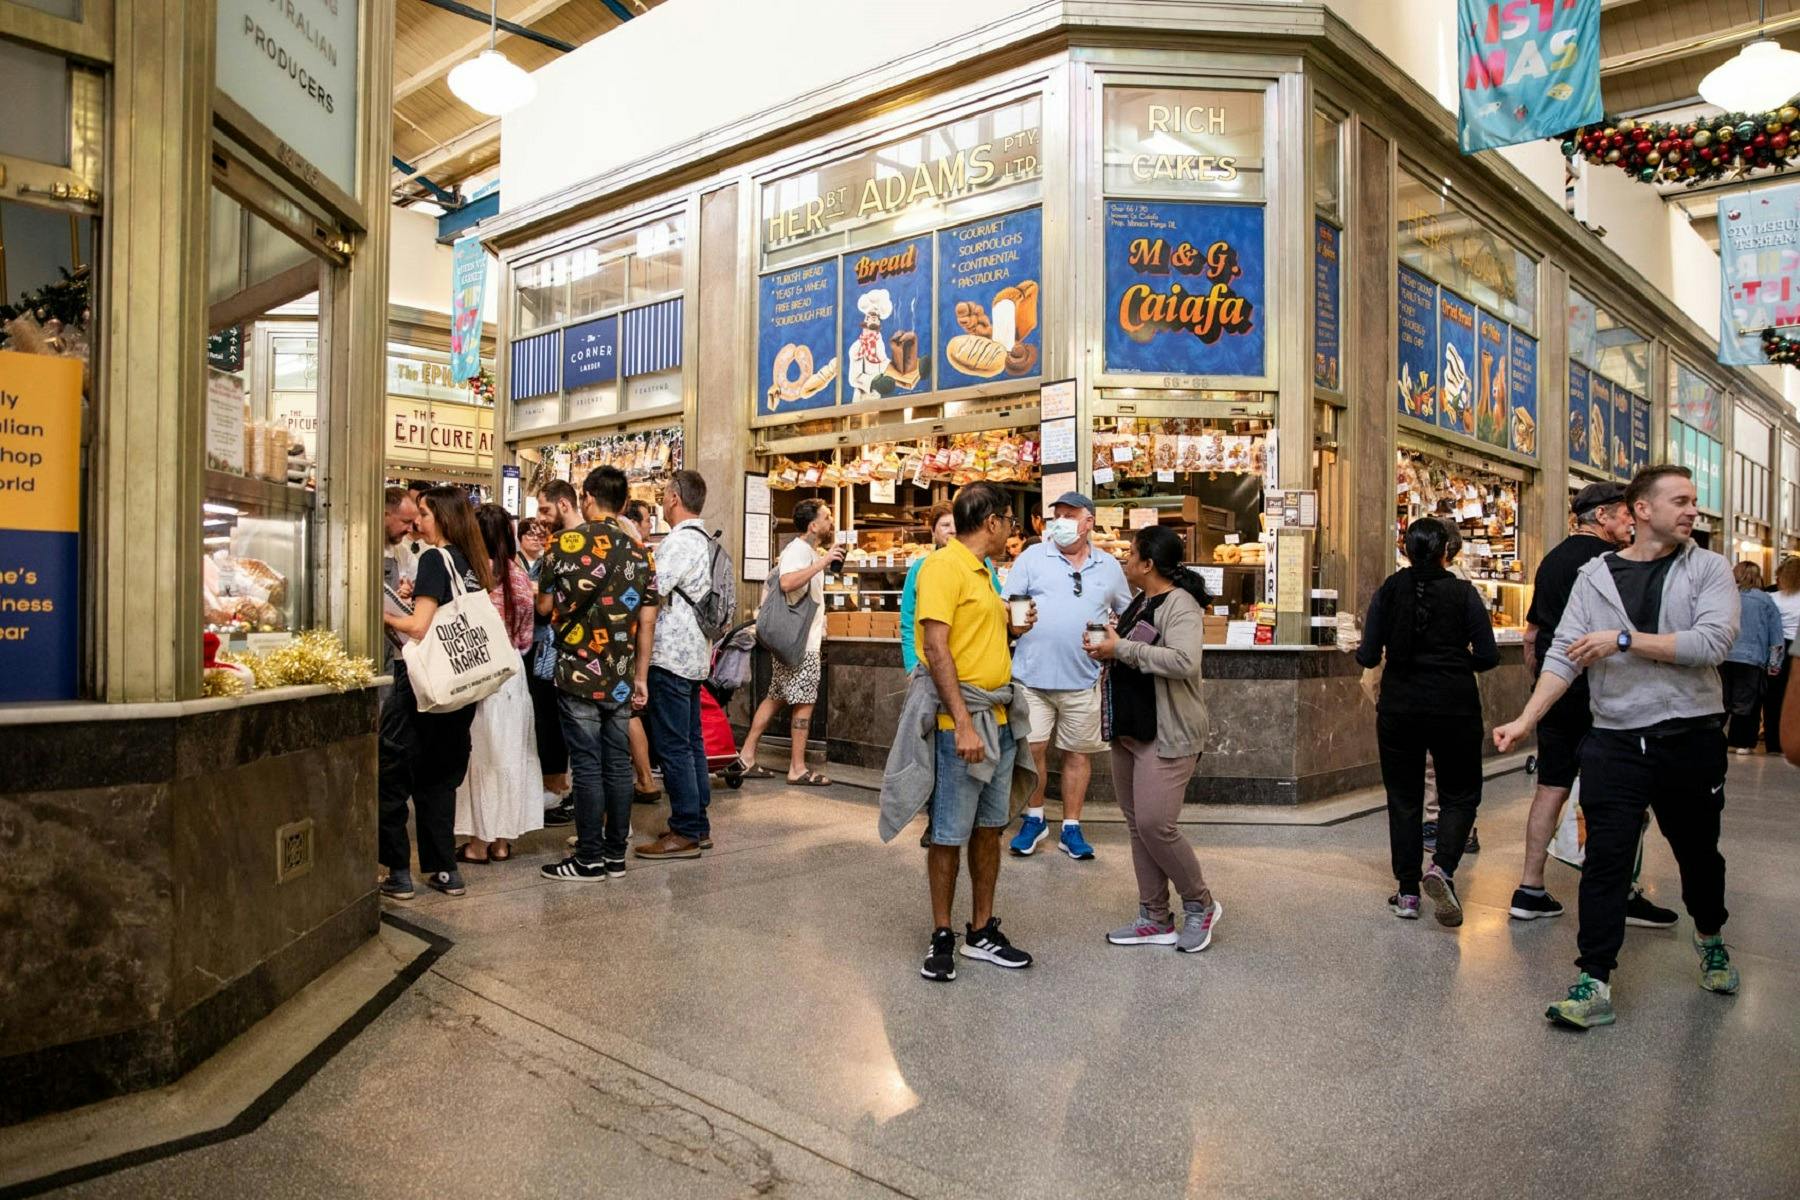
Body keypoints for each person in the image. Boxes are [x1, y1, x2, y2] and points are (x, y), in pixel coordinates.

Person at [1495, 465, 1740, 1030]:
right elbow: (1562, 654)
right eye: (1679, 500)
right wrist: (1527, 718)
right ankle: (1594, 979)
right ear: (1641, 510)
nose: (1692, 510)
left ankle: (1710, 935)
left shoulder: (1709, 568)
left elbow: (1711, 643)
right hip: (1615, 739)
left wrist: (1623, 640)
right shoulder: (1595, 574)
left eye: (1694, 501)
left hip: (1690, 736)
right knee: (1604, 860)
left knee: (1699, 853)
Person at [878, 481, 1038, 981]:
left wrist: (1013, 630)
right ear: (991, 522)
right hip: (960, 724)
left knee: (989, 829)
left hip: (999, 717)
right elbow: (937, 648)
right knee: (948, 834)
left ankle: (982, 929)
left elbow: (975, 637)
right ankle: (942, 933)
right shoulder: (942, 566)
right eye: (1010, 521)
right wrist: (963, 724)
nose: (1012, 531)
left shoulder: (986, 572)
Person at [1355, 516, 1499, 926]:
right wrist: (1455, 663)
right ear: (1445, 553)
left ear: (1405, 549)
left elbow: (1367, 656)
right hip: (1455, 706)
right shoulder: (1464, 593)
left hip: (1399, 707)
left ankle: (1406, 893)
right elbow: (1487, 656)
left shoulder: (1389, 590)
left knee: (1404, 799)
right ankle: (1443, 868)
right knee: (1461, 794)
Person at [1088, 526, 1222, 954]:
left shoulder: (1180, 605)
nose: (1125, 559)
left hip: (1168, 732)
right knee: (1137, 826)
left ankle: (1201, 904)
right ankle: (1154, 916)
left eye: (1131, 553)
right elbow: (1127, 649)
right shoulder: (1140, 601)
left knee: (1155, 825)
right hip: (1131, 730)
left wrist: (1121, 650)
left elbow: (1184, 661)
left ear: (1147, 564)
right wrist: (1106, 646)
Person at [538, 466, 659, 883]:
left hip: (577, 671)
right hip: (622, 674)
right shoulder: (641, 551)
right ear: (625, 504)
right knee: (618, 765)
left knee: (587, 766)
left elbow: (542, 607)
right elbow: (648, 621)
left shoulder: (562, 545)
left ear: (587, 497)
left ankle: (588, 859)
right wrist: (641, 675)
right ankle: (614, 857)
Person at [378, 486, 494, 900]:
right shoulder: (472, 560)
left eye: (424, 514)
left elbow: (420, 627)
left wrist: (383, 613)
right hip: (461, 687)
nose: (418, 523)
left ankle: (396, 872)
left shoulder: (432, 557)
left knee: (392, 771)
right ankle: (445, 870)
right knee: (439, 779)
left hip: (424, 685)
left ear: (442, 518)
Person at [1003, 492, 1131, 862]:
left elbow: (1125, 611)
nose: (1058, 521)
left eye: (1069, 514)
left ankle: (1071, 826)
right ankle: (1035, 817)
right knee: (1033, 749)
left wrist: (1114, 632)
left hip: (1085, 677)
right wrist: (1015, 622)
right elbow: (1008, 602)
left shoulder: (1108, 566)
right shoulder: (1032, 557)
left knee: (1077, 754)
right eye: (1055, 515)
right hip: (1031, 676)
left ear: (1088, 522)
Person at [453, 504, 544, 863]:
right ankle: (503, 840)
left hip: (479, 673)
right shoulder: (519, 575)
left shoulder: (471, 576)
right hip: (513, 674)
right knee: (512, 754)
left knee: (481, 755)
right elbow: (525, 637)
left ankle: (477, 843)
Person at [636, 470, 718, 860]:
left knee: (674, 747)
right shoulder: (705, 540)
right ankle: (697, 825)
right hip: (695, 654)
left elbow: (650, 590)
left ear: (672, 498)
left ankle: (685, 829)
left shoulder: (679, 542)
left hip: (671, 655)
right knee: (691, 743)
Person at [737, 498, 842, 786]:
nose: (830, 522)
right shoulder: (799, 551)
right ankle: (797, 768)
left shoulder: (806, 550)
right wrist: (823, 562)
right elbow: (787, 583)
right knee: (804, 702)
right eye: (827, 517)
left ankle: (746, 756)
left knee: (775, 697)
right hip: (801, 643)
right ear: (813, 525)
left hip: (797, 640)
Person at [1422, 522, 1480, 856]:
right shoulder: (1463, 587)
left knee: (1432, 762)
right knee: (1458, 762)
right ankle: (1462, 829)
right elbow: (1484, 649)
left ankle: (1434, 824)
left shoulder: (1409, 584)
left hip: (1422, 689)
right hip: (1457, 688)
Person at [533, 485, 584, 825]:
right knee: (594, 751)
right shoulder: (613, 544)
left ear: (564, 504)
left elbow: (544, 605)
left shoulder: (556, 548)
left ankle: (588, 839)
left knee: (569, 737)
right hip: (605, 660)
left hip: (564, 656)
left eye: (544, 510)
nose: (540, 518)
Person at [900, 504, 1001, 674]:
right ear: (933, 532)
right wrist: (912, 666)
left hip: (973, 665)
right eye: (945, 525)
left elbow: (998, 601)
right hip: (931, 667)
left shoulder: (983, 563)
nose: (952, 530)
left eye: (956, 525)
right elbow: (908, 620)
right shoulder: (921, 567)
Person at [614, 499, 664, 805]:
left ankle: (643, 780)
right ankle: (644, 779)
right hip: (631, 647)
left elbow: (647, 620)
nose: (649, 526)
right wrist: (642, 674)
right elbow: (648, 619)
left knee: (622, 719)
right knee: (629, 714)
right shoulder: (645, 559)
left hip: (611, 651)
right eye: (646, 521)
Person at [1722, 561, 1784, 754]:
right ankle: (1741, 742)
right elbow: (1776, 635)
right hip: (1751, 658)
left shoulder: (1725, 597)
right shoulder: (1765, 600)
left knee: (1722, 699)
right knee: (1746, 701)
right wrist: (1774, 663)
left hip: (1723, 655)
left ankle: (1716, 739)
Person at [382, 487, 420, 672]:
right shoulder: (359, 546)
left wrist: (410, 594)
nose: (410, 529)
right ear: (384, 514)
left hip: (397, 654)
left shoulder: (403, 553)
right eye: (406, 521)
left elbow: (417, 587)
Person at [1765, 556, 1800, 754]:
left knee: (1774, 696)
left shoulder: (1772, 598)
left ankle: (1773, 743)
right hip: (1798, 646)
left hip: (1776, 648)